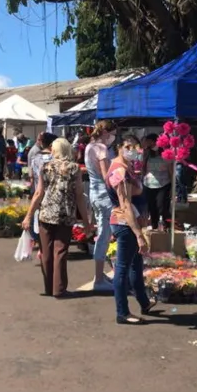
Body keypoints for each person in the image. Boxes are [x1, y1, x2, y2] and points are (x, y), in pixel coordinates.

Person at [22, 138, 93, 299]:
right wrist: (86, 222)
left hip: (46, 213)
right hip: (65, 214)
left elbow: (39, 193)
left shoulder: (46, 167)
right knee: (60, 251)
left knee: (46, 252)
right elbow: (79, 196)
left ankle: (48, 287)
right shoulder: (74, 169)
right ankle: (59, 289)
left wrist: (28, 215)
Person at [105, 134, 156, 324]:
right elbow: (125, 204)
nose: (131, 150)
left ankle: (144, 302)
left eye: (135, 147)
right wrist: (139, 235)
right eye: (127, 146)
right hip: (125, 224)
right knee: (123, 268)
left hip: (130, 222)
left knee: (135, 264)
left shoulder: (126, 168)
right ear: (119, 147)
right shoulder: (119, 170)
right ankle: (122, 313)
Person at [84, 121, 116, 291]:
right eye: (113, 134)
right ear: (106, 133)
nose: (113, 138)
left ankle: (100, 274)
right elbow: (106, 175)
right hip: (104, 195)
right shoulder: (101, 148)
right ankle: (98, 278)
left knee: (102, 233)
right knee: (104, 235)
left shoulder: (89, 147)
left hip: (94, 193)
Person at [141, 133, 172, 231]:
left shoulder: (165, 153)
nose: (146, 143)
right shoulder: (145, 153)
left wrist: (173, 185)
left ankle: (166, 225)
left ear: (154, 141)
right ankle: (154, 226)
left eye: (148, 141)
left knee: (162, 206)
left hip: (163, 184)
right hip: (148, 184)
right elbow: (143, 168)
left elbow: (171, 170)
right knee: (151, 206)